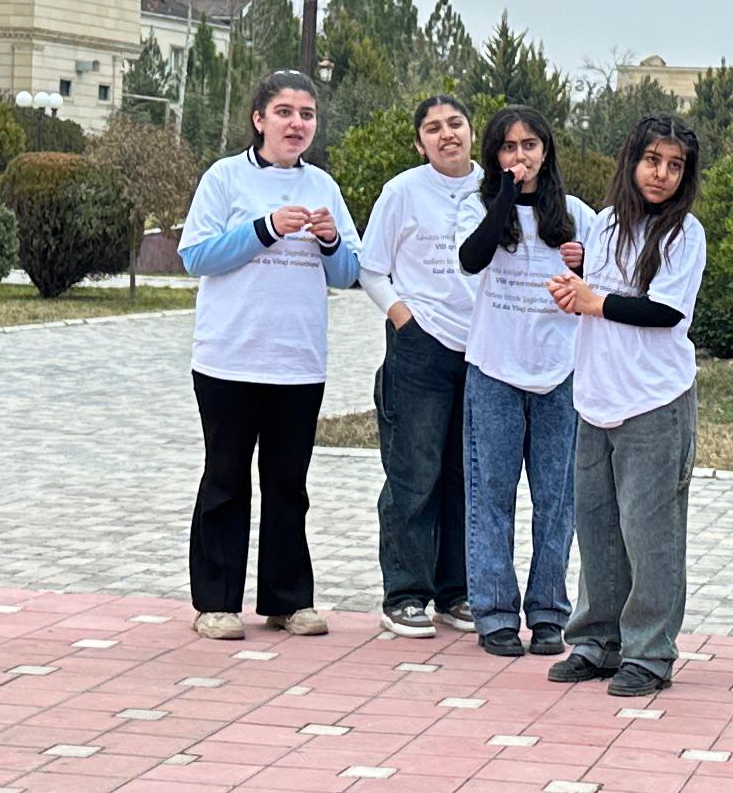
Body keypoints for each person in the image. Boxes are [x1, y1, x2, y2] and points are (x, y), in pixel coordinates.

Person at [177, 73, 364, 642]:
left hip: (298, 361)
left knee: (289, 485)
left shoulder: (323, 185)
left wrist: (330, 241)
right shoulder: (224, 177)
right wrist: (264, 228)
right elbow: (196, 255)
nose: (296, 123)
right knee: (226, 480)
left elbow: (348, 273)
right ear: (258, 119)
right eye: (284, 112)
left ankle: (288, 600)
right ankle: (216, 603)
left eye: (307, 114)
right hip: (229, 359)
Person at [549, 113, 708, 696]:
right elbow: (594, 297)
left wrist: (593, 301)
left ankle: (649, 652)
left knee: (650, 534)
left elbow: (665, 312)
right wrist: (573, 288)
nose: (661, 174)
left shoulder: (684, 234)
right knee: (597, 530)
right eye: (651, 160)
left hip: (654, 402)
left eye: (674, 165)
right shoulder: (607, 223)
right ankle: (597, 641)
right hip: (596, 396)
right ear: (631, 161)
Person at [457, 107, 585, 660]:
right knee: (491, 494)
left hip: (559, 372)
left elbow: (603, 284)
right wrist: (506, 197)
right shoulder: (477, 206)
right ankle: (494, 612)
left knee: (556, 499)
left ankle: (549, 612)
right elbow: (471, 259)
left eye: (529, 145)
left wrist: (585, 264)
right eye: (508, 147)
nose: (520, 156)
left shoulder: (577, 215)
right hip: (495, 370)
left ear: (546, 150)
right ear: (495, 156)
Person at [358, 94, 480, 637]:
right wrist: (404, 319)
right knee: (414, 474)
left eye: (455, 123)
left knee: (465, 476)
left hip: (482, 352)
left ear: (472, 131)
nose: (446, 134)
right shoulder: (402, 192)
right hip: (420, 347)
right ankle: (405, 594)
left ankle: (457, 593)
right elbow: (371, 268)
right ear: (419, 142)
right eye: (433, 128)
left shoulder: (494, 189)